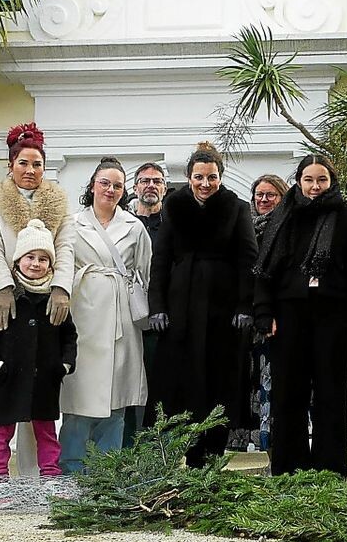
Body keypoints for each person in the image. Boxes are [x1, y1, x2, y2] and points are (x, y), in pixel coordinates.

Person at [0, 123, 75, 499]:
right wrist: (3, 287)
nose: (30, 169)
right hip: (3, 300)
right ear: (11, 165)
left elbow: (66, 247)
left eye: (37, 163)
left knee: (39, 392)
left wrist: (61, 288)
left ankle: (38, 474)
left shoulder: (59, 200)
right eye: (24, 163)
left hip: (45, 299)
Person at [255, 155, 347, 476]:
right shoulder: (283, 217)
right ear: (299, 180)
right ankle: (289, 469)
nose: (315, 186)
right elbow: (265, 270)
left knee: (330, 393)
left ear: (331, 181)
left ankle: (329, 471)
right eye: (309, 180)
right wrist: (264, 312)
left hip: (331, 312)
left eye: (322, 180)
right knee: (288, 393)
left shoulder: (346, 219)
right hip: (288, 313)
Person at [148, 142, 257, 466]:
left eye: (211, 177)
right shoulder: (174, 206)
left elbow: (248, 258)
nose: (205, 184)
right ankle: (190, 455)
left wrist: (244, 306)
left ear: (220, 177)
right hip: (181, 311)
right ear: (189, 176)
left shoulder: (236, 208)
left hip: (223, 312)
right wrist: (158, 306)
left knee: (219, 382)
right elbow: (161, 259)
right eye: (199, 177)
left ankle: (214, 457)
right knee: (184, 384)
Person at [0, 219, 77, 506]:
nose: (36, 264)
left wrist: (64, 365)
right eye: (30, 257)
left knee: (46, 431)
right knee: (1, 432)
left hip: (45, 378)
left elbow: (69, 336)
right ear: (18, 260)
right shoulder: (4, 297)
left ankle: (51, 478)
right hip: (10, 377)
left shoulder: (56, 300)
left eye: (43, 259)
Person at [59, 158, 152, 472]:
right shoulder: (72, 223)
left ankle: (106, 470)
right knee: (78, 393)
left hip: (120, 316)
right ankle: (71, 467)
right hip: (82, 312)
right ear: (92, 185)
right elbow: (63, 265)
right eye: (105, 183)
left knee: (116, 396)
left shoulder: (134, 227)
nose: (110, 190)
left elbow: (145, 272)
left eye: (117, 185)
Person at [227, 174, 290, 452]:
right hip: (245, 320)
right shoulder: (243, 228)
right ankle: (244, 442)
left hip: (277, 318)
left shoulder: (289, 229)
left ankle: (273, 442)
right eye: (259, 195)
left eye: (270, 195)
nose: (263, 200)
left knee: (274, 381)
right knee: (245, 380)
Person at [122, 161, 166, 446]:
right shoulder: (122, 224)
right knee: (123, 385)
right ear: (135, 187)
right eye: (144, 180)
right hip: (124, 316)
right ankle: (122, 450)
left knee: (157, 387)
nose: (150, 185)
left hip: (160, 320)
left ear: (164, 187)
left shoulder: (174, 226)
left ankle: (155, 451)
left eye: (157, 181)